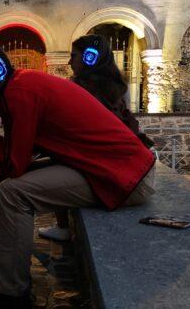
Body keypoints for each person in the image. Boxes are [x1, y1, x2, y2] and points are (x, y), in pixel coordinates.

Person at [0, 40, 156, 308]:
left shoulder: (20, 93)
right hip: (112, 167)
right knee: (9, 186)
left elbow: (14, 166)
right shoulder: (18, 88)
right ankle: (6, 266)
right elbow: (20, 155)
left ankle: (12, 297)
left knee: (13, 193)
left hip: (124, 177)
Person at [37, 35, 156, 242]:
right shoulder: (117, 87)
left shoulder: (82, 90)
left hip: (106, 164)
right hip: (122, 161)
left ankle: (63, 225)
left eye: (74, 56)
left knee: (56, 160)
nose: (69, 62)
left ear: (90, 58)